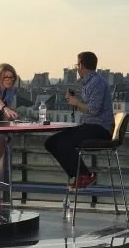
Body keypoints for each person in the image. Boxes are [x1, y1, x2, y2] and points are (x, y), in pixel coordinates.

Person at [44, 51, 112, 188]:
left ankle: (85, 175)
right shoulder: (89, 83)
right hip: (92, 126)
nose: (77, 68)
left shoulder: (96, 82)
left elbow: (93, 110)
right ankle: (77, 175)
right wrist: (76, 102)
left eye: (77, 65)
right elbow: (89, 109)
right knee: (51, 143)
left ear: (81, 65)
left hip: (100, 129)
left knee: (63, 143)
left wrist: (76, 102)